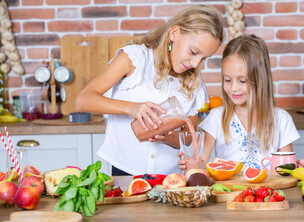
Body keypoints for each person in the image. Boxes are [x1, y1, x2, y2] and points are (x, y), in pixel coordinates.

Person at [75, 5, 224, 176]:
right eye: (193, 52)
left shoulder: (194, 82)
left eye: (203, 58)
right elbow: (83, 100)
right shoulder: (135, 59)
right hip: (126, 170)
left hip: (170, 176)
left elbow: (187, 138)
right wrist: (131, 108)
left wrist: (166, 137)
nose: (196, 64)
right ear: (174, 33)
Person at [179, 34, 304, 171]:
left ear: (260, 79)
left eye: (242, 81)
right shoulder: (216, 118)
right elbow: (201, 163)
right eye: (227, 80)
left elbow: (285, 169)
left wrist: (298, 167)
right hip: (228, 192)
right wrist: (193, 165)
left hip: (269, 192)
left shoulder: (281, 119)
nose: (234, 88)